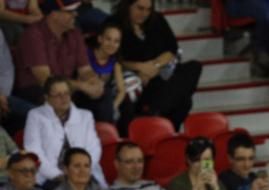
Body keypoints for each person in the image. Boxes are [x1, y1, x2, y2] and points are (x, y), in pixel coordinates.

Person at [13, 0, 110, 120]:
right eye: (70, 11)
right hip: (36, 90)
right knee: (55, 97)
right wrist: (82, 86)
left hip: (65, 87)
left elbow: (85, 70)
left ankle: (104, 135)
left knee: (103, 92)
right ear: (54, 14)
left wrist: (94, 82)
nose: (75, 14)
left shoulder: (75, 33)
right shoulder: (33, 35)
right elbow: (45, 80)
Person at [112, 0, 202, 129]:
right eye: (140, 8)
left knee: (195, 67)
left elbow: (172, 49)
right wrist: (139, 67)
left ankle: (155, 111)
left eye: (148, 9)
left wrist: (155, 66)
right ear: (128, 5)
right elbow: (114, 58)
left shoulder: (157, 19)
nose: (144, 13)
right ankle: (159, 121)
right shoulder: (115, 24)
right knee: (184, 102)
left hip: (160, 72)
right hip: (137, 78)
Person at [24, 75, 105, 188]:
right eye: (58, 95)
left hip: (84, 175)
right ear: (47, 97)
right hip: (50, 177)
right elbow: (33, 150)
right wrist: (57, 175)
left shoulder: (85, 116)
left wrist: (81, 171)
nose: (64, 98)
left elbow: (94, 148)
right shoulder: (35, 115)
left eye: (67, 93)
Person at [86, 20, 129, 127]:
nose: (112, 45)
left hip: (104, 103)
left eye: (116, 41)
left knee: (118, 99)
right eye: (108, 39)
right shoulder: (86, 54)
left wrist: (113, 106)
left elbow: (121, 91)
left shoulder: (115, 62)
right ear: (100, 39)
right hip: (85, 96)